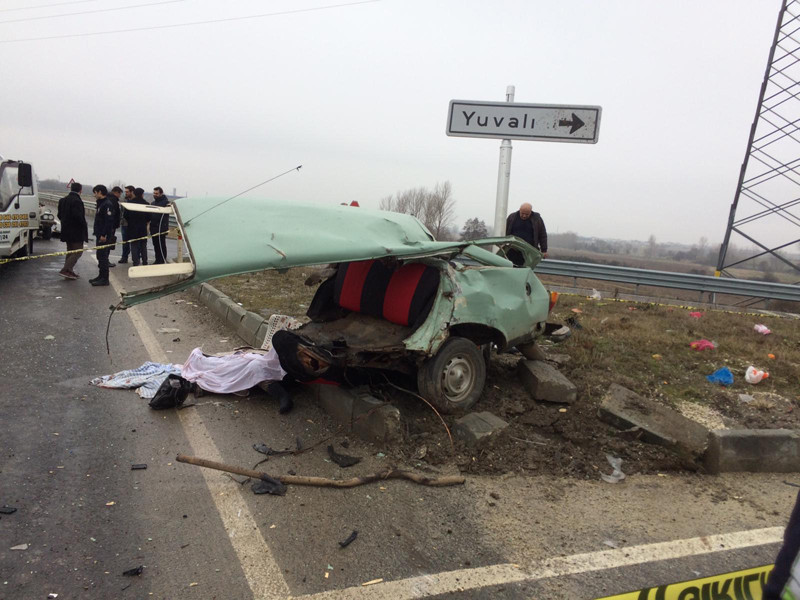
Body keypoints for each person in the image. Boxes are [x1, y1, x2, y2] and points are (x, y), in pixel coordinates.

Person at [56, 182, 88, 280]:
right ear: (80, 190)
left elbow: (59, 215)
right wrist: (84, 226)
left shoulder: (63, 200)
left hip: (66, 230)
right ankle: (65, 269)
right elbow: (78, 216)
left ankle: (69, 271)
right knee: (78, 251)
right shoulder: (77, 201)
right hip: (76, 231)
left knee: (70, 251)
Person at [505, 202, 548, 266]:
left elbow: (543, 235)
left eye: (527, 214)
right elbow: (505, 231)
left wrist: (544, 250)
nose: (524, 216)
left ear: (531, 212)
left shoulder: (537, 219)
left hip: (529, 252)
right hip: (513, 250)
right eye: (522, 213)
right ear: (519, 210)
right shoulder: (512, 217)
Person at [90, 184, 116, 286]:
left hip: (103, 235)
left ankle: (105, 279)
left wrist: (104, 234)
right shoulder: (101, 203)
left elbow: (108, 221)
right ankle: (101, 276)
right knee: (99, 256)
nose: (94, 195)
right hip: (99, 233)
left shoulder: (107, 204)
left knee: (103, 257)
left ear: (100, 192)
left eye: (95, 193)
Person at [126, 188, 150, 267]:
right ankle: (145, 261)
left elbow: (125, 215)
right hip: (143, 227)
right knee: (143, 245)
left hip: (132, 227)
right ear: (142, 194)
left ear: (134, 194)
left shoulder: (130, 203)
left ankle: (135, 261)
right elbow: (149, 217)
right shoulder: (146, 204)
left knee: (134, 245)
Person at [150, 186, 170, 264]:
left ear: (161, 193)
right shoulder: (153, 203)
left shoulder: (166, 203)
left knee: (161, 245)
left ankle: (162, 260)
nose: (155, 195)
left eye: (157, 193)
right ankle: (157, 259)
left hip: (161, 228)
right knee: (155, 245)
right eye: (154, 193)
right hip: (153, 227)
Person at [117, 186, 131, 264]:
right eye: (125, 192)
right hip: (124, 224)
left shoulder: (134, 202)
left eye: (127, 192)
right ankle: (124, 257)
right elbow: (121, 212)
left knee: (134, 242)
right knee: (125, 242)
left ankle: (137, 258)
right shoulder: (124, 201)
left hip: (132, 225)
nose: (126, 193)